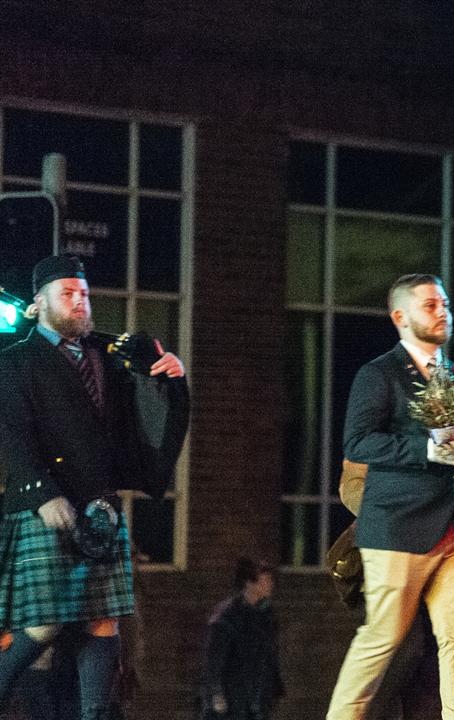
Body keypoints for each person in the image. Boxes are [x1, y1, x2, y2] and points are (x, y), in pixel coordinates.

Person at [0, 254, 188, 720]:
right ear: (38, 303)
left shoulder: (112, 352)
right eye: (67, 294)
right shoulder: (16, 361)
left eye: (83, 293)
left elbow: (149, 404)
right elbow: (10, 430)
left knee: (104, 622)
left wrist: (170, 377)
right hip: (46, 502)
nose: (80, 301)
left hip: (99, 504)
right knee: (44, 626)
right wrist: (41, 492)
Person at [327, 273, 454, 720]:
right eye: (431, 305)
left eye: (446, 304)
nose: (442, 312)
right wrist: (428, 447)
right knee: (383, 640)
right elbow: (358, 443)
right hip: (397, 528)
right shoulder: (379, 374)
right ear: (400, 316)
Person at [200, 558, 284, 720]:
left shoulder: (266, 615)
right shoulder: (227, 617)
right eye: (265, 580)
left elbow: (269, 655)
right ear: (249, 583)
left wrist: (272, 687)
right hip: (234, 698)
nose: (270, 584)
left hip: (257, 697)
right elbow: (214, 661)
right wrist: (216, 694)